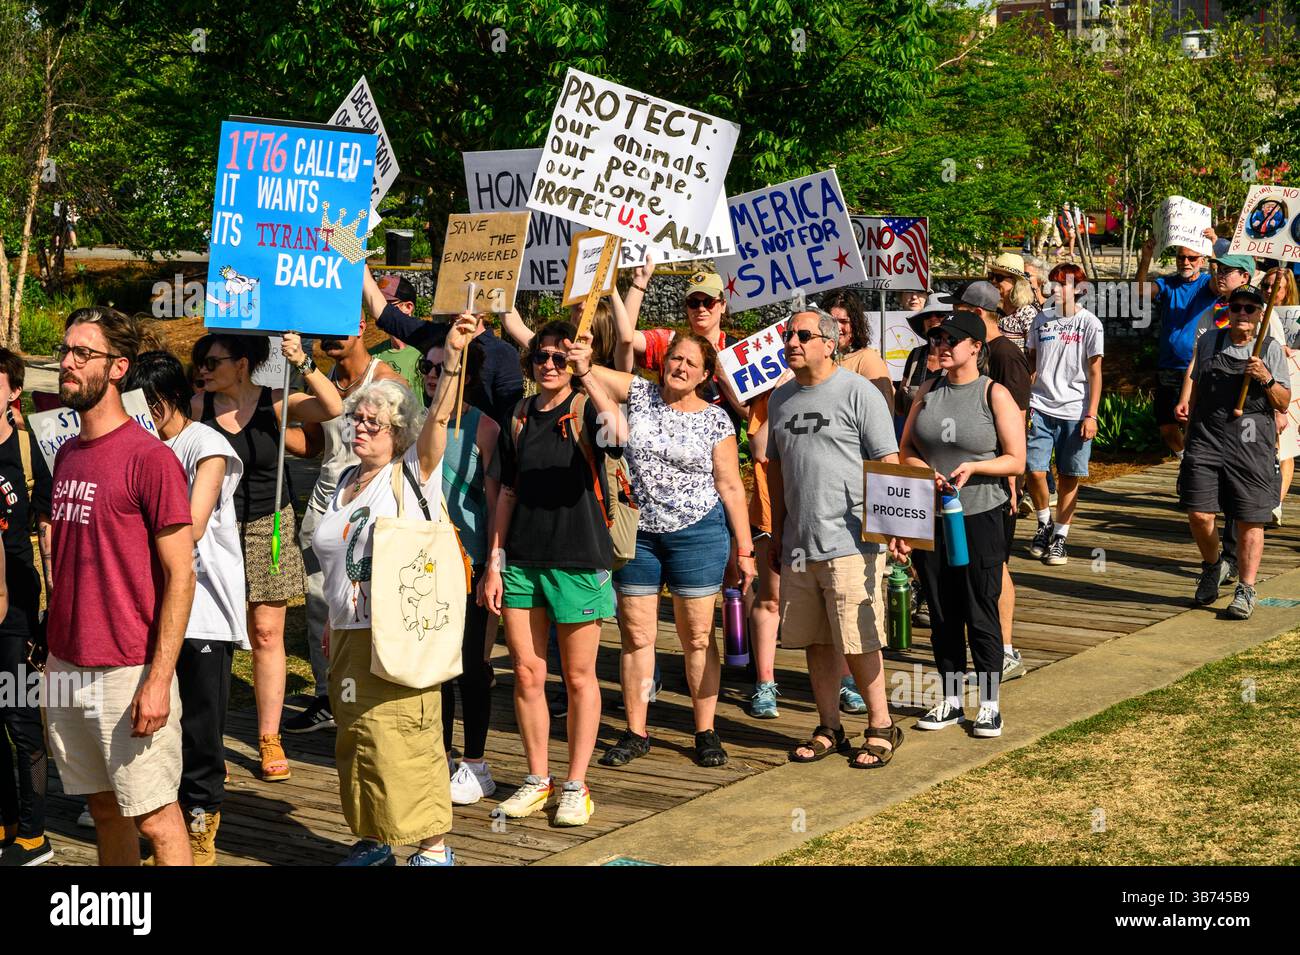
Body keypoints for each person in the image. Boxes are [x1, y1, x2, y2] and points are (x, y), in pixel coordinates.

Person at [314, 310, 473, 865]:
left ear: (398, 431)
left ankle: (433, 847)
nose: (360, 427)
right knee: (358, 740)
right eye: (357, 419)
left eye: (373, 423)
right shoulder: (341, 483)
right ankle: (375, 837)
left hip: (400, 632)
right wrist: (334, 629)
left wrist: (451, 360)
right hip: (349, 632)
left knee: (406, 737)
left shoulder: (412, 473)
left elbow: (439, 422)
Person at [43, 307, 197, 865]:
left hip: (129, 670)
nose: (68, 362)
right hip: (67, 665)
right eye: (66, 350)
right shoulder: (66, 453)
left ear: (117, 368)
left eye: (84, 353)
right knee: (105, 810)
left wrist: (159, 679)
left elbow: (183, 574)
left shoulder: (149, 458)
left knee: (156, 817)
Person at [566, 333, 753, 769]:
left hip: (698, 533)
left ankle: (705, 730)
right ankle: (636, 731)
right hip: (640, 535)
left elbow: (729, 486)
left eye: (691, 363)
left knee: (698, 637)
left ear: (705, 375)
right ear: (662, 362)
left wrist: (744, 549)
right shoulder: (641, 392)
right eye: (675, 358)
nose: (681, 367)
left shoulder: (716, 420)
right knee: (636, 636)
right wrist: (581, 358)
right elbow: (590, 371)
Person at [481, 322, 628, 827]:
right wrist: (494, 563)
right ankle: (537, 778)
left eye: (559, 358)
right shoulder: (519, 415)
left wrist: (587, 373)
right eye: (542, 356)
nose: (549, 364)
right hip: (522, 560)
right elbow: (507, 491)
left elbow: (619, 435)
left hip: (579, 559)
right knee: (526, 672)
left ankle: (576, 784)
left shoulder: (586, 408)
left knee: (579, 675)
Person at [191, 331, 343, 781]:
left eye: (212, 362)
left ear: (241, 364)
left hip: (268, 523)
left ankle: (268, 736)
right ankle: (205, 738)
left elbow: (333, 408)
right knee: (211, 632)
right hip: (213, 528)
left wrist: (302, 361)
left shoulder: (274, 401)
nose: (202, 369)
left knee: (266, 632)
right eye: (200, 362)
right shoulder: (198, 406)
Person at [125, 351, 247, 865]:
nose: (142, 415)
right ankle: (160, 820)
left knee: (200, 726)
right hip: (152, 607)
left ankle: (201, 821)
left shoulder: (206, 445)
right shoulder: (136, 445)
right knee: (155, 723)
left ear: (169, 398)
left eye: (148, 404)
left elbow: (192, 525)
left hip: (204, 611)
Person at [768, 307, 904, 769]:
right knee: (816, 639)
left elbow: (888, 461)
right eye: (788, 335)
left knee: (858, 637)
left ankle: (881, 725)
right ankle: (830, 726)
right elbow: (778, 474)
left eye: (803, 335)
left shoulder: (859, 392)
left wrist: (899, 529)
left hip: (853, 540)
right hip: (799, 545)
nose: (792, 342)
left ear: (831, 343)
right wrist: (776, 533)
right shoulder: (779, 399)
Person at [898, 310, 1027, 738]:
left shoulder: (994, 394)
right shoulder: (928, 390)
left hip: (980, 514)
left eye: (952, 339)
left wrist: (976, 467)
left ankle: (988, 703)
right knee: (941, 607)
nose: (942, 346)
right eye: (937, 339)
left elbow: (1016, 458)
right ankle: (952, 698)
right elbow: (907, 450)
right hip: (931, 514)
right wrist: (925, 473)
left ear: (975, 347)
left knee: (980, 605)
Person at [287, 305, 404, 736]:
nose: (330, 338)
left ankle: (369, 690)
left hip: (371, 505)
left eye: (339, 329)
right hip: (325, 503)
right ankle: (326, 694)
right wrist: (268, 427)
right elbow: (314, 444)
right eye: (323, 331)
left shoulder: (385, 379)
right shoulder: (320, 380)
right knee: (322, 605)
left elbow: (406, 447)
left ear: (359, 327)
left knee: (368, 602)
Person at [419, 335, 503, 805]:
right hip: (425, 562)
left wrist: (494, 563)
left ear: (466, 375)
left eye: (442, 367)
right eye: (427, 369)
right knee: (436, 666)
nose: (433, 375)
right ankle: (442, 754)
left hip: (470, 562)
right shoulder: (415, 423)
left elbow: (494, 504)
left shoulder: (485, 428)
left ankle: (475, 762)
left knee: (473, 664)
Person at [1175, 286, 1291, 619]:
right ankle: (1213, 566)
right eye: (1236, 307)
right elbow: (1196, 384)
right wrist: (1188, 427)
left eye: (1250, 308)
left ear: (1259, 315)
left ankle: (1246, 587)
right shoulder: (1209, 340)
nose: (1242, 313)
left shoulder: (1268, 349)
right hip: (1207, 436)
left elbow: (1283, 401)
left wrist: (1266, 378)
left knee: (1250, 518)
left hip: (1252, 440)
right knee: (1199, 513)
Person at [960, 281, 1030, 681]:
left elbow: (1016, 419)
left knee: (996, 567)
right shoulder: (980, 352)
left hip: (999, 482)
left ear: (975, 313)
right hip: (973, 485)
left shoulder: (1005, 353)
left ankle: (1005, 650)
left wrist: (1013, 485)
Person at [0, 349, 53, 866]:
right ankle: (6, 819)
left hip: (16, 602)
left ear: (13, 392)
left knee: (19, 715)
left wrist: (54, 604)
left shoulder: (25, 446)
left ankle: (37, 834)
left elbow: (47, 527)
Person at [1024, 263, 1104, 567]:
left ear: (1079, 289)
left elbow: (1096, 372)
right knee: (1034, 470)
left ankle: (1060, 536)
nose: (1055, 289)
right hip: (1041, 407)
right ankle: (1043, 523)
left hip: (1075, 410)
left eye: (1062, 284)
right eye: (1053, 284)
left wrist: (1091, 415)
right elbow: (1031, 365)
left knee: (1069, 477)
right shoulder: (1040, 321)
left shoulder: (1090, 324)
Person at [373, 277, 524, 427]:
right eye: (427, 366)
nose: (458, 307)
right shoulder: (437, 337)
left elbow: (510, 418)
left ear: (484, 309)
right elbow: (385, 315)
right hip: (433, 440)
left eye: (467, 299)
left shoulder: (503, 353)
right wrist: (358, 260)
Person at [627, 269, 746, 428]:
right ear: (687, 308)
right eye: (693, 303)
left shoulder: (739, 350)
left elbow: (749, 415)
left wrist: (723, 376)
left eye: (709, 302)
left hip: (723, 447)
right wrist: (639, 283)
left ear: (723, 305)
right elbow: (626, 336)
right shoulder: (670, 342)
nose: (701, 308)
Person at [1137, 231, 1218, 456]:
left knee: (1196, 422)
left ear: (1201, 260)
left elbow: (1220, 285)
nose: (1186, 262)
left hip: (1199, 366)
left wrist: (1213, 246)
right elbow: (1138, 294)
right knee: (1166, 426)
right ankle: (1186, 460)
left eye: (1192, 258)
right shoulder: (1168, 283)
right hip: (1169, 365)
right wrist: (1146, 259)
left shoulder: (1207, 284)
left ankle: (1198, 467)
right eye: (1181, 257)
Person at [822, 288, 893, 411]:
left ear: (855, 324)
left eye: (844, 321)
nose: (837, 327)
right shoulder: (820, 359)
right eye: (831, 321)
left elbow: (882, 414)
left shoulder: (868, 360)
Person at [368, 275, 429, 403]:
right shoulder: (370, 355)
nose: (378, 310)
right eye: (377, 304)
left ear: (408, 307)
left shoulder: (428, 353)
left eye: (386, 304)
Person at [896, 294, 952, 429]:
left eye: (939, 314)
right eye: (927, 315)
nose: (933, 319)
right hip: (912, 439)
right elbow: (899, 407)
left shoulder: (959, 357)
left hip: (948, 439)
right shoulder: (915, 355)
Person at [988, 253, 1039, 351]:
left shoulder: (1026, 313)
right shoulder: (992, 307)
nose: (993, 281)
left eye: (999, 277)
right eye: (991, 276)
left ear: (1015, 281)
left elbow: (1033, 353)